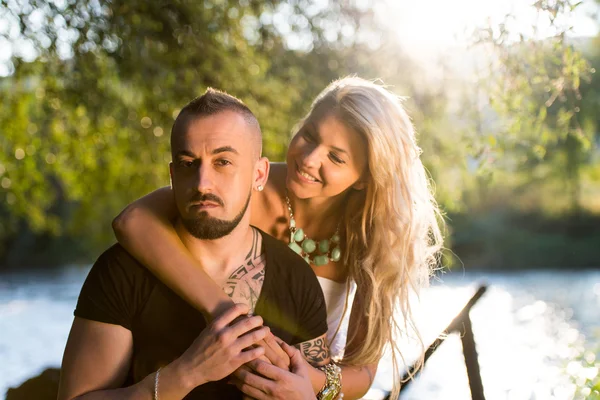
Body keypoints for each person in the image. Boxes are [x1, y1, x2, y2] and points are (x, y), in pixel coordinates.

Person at [113, 77, 444, 399]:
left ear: (364, 177)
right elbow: (133, 221)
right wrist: (224, 312)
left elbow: (363, 372)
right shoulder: (245, 188)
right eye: (310, 135)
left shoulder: (370, 237)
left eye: (336, 157)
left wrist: (300, 378)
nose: (310, 158)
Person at [58, 89, 331, 400]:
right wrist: (185, 374)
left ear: (259, 174)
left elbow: (320, 384)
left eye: (223, 162)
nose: (202, 183)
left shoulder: (297, 277)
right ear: (173, 175)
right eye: (188, 163)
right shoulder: (121, 271)